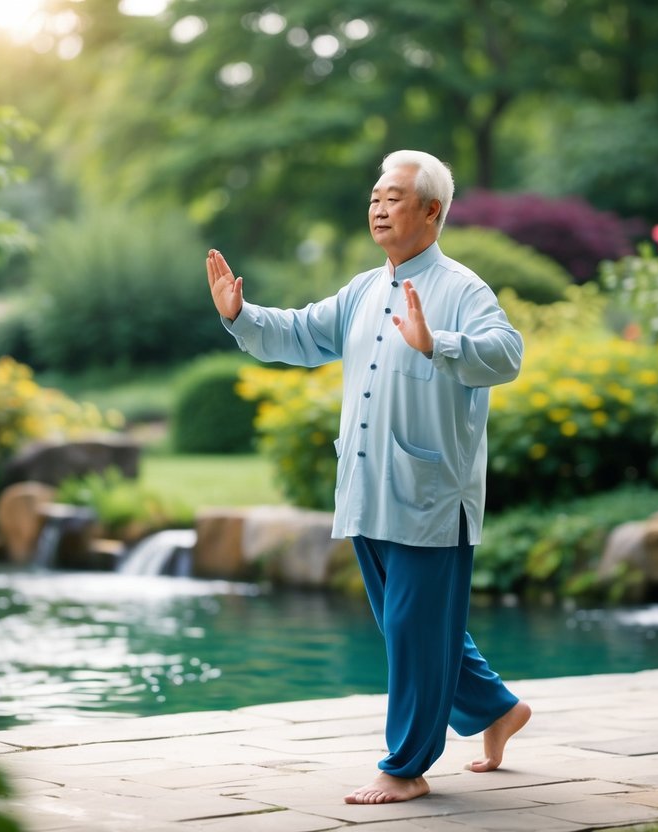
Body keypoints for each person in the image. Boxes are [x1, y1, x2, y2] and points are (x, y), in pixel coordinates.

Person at [205, 149, 531, 805]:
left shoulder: (463, 290)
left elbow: (506, 354)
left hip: (431, 498)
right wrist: (241, 316)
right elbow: (300, 335)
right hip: (366, 490)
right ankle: (495, 709)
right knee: (407, 625)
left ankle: (405, 766)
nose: (378, 207)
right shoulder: (360, 289)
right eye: (375, 196)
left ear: (431, 211)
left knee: (413, 628)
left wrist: (437, 342)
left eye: (394, 197)